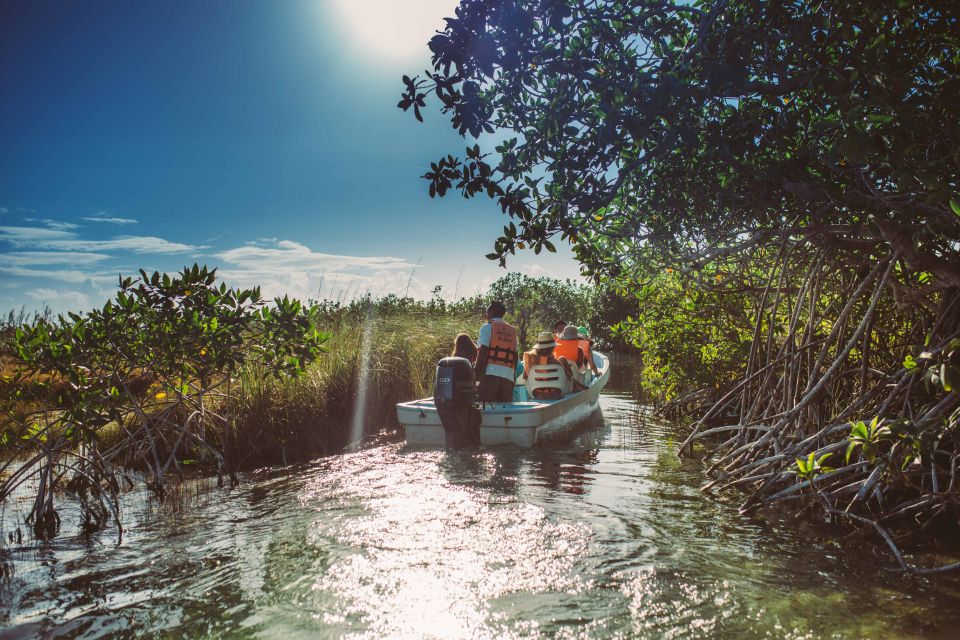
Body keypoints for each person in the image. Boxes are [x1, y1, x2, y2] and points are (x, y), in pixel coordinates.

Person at [475, 301, 519, 402]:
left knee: (484, 405)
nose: (486, 312)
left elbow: (483, 350)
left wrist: (476, 370)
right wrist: (513, 376)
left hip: (491, 373)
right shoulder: (512, 330)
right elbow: (515, 356)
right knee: (505, 409)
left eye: (487, 310)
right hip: (508, 375)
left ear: (491, 312)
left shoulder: (486, 327)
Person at [523, 331, 579, 399]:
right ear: (552, 347)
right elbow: (569, 377)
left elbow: (525, 377)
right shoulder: (554, 362)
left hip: (537, 393)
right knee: (562, 359)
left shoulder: (530, 361)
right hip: (555, 392)